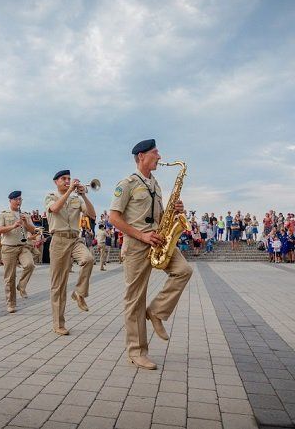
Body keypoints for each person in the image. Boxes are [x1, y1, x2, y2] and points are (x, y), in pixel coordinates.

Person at [108, 139, 193, 370]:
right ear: (141, 156)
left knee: (184, 271)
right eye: (155, 152)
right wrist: (142, 236)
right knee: (135, 298)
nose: (160, 156)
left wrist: (175, 211)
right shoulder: (126, 184)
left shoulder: (155, 184)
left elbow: (160, 215)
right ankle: (136, 352)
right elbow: (113, 218)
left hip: (159, 240)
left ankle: (156, 311)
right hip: (137, 244)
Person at [45, 170, 96, 335]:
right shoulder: (50, 196)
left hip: (75, 238)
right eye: (64, 179)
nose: (67, 181)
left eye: (69, 179)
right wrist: (70, 190)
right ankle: (58, 323)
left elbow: (92, 214)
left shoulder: (76, 198)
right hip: (59, 240)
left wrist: (84, 195)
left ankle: (79, 293)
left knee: (88, 259)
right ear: (56, 182)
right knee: (58, 285)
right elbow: (55, 208)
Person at [0, 191, 36, 313]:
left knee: (30, 265)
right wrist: (13, 226)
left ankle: (22, 285)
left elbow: (33, 230)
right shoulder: (3, 214)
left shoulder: (25, 215)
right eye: (16, 199)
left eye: (20, 199)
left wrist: (25, 223)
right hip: (8, 247)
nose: (19, 202)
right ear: (10, 201)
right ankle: (11, 303)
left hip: (23, 246)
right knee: (10, 277)